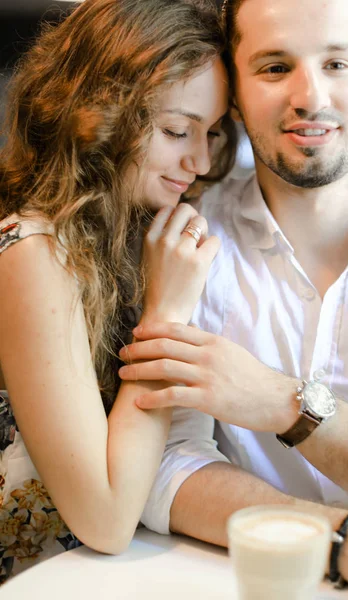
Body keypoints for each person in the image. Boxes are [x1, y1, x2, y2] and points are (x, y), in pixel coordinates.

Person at [118, 1, 348, 599]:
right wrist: (339, 542)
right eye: (274, 67)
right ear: (236, 98)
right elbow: (164, 464)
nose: (310, 96)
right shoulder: (181, 246)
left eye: (336, 63)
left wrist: (286, 402)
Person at [0, 0, 238, 582]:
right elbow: (105, 521)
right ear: (99, 113)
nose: (200, 159)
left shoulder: (127, 224)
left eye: (211, 132)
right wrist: (167, 311)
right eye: (177, 130)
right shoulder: (31, 251)